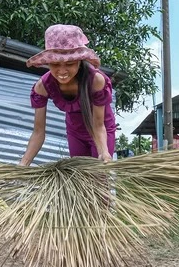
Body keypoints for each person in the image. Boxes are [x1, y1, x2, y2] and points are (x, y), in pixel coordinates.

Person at [18, 24, 117, 166]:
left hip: (100, 130)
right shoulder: (43, 86)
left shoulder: (95, 80)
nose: (62, 71)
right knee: (78, 176)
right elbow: (38, 132)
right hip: (75, 132)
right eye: (55, 64)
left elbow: (98, 125)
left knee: (98, 176)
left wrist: (104, 152)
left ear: (79, 61)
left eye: (69, 64)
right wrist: (23, 165)